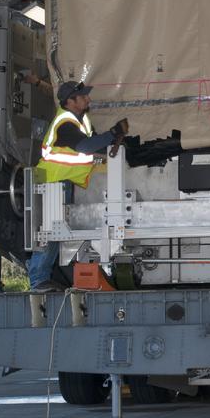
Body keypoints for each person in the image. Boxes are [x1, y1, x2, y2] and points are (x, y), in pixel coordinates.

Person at [27, 80, 129, 290]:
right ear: (70, 101)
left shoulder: (79, 120)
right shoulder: (65, 123)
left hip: (61, 182)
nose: (88, 99)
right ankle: (38, 280)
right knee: (49, 233)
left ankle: (41, 278)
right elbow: (85, 146)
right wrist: (112, 133)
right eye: (83, 97)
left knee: (54, 233)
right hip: (52, 182)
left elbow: (90, 148)